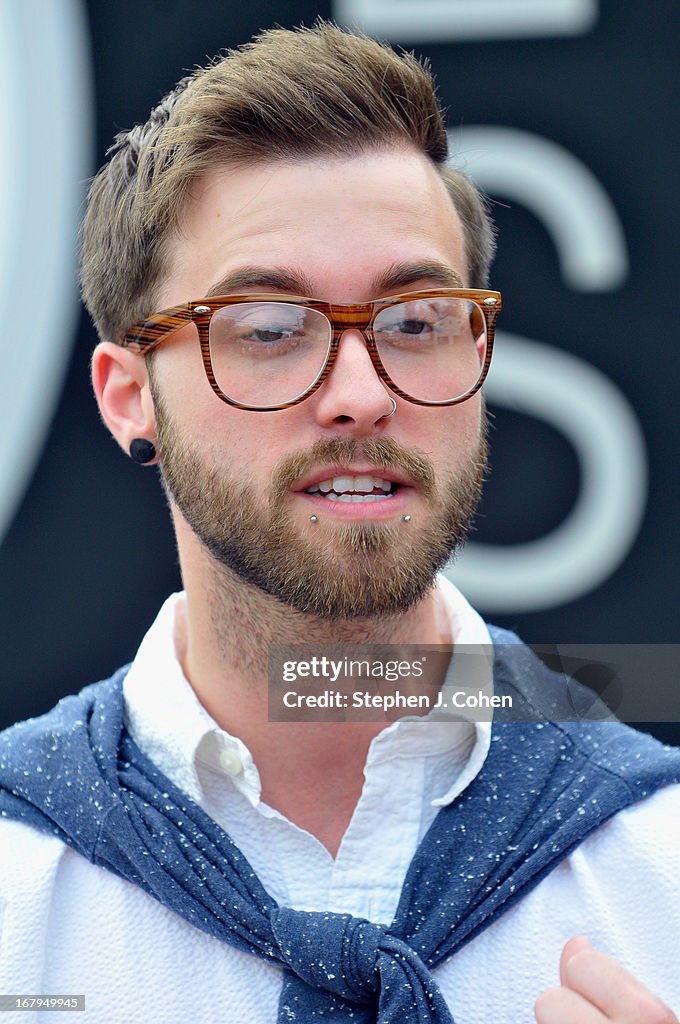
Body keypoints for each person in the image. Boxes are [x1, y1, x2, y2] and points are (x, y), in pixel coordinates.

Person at [0, 22, 678, 1024]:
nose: (358, 394)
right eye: (269, 331)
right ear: (127, 396)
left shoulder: (658, 866)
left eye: (415, 322)